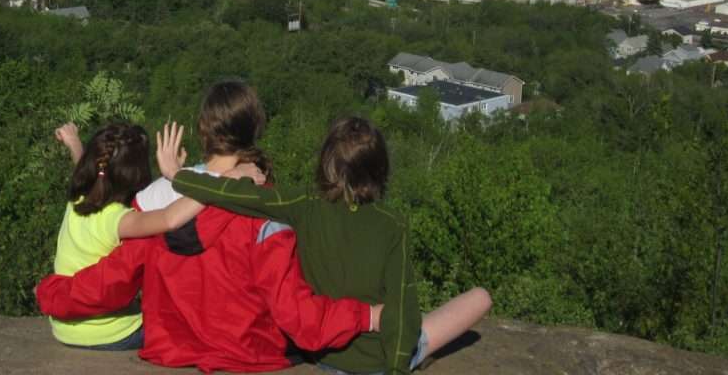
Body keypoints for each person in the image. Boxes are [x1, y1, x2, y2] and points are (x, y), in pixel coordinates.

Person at [36, 82, 383, 372]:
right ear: (255, 131)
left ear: (203, 131)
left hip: (170, 346)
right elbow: (297, 315)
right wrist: (367, 316)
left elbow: (114, 276)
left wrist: (52, 294)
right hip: (249, 351)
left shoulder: (153, 199)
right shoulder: (267, 209)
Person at [167, 115, 492, 375]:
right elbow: (402, 305)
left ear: (327, 163)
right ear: (378, 169)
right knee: (480, 297)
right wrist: (396, 367)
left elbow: (237, 195)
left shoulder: (304, 203)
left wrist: (178, 176)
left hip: (322, 352)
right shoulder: (392, 225)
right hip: (373, 361)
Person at [49, 121, 205, 350]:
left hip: (64, 328)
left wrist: (74, 143)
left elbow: (85, 168)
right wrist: (185, 179)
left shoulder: (78, 197)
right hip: (112, 334)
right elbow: (169, 219)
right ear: (135, 176)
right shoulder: (120, 220)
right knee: (182, 329)